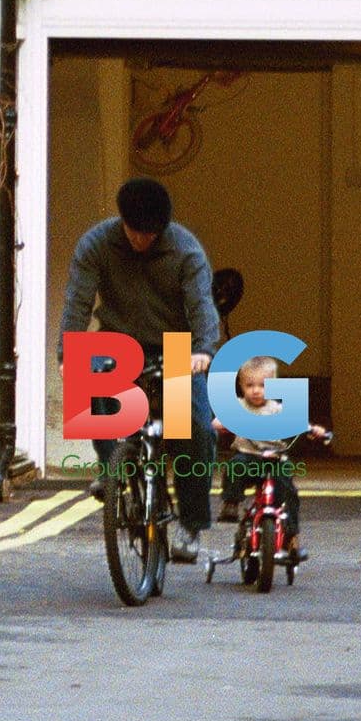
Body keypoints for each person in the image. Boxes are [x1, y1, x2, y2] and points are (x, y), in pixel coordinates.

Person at [58, 177, 219, 563]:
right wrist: (66, 353)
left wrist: (203, 351)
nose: (142, 240)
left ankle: (192, 525)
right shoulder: (96, 244)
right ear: (122, 221)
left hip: (176, 347)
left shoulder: (186, 251)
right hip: (118, 341)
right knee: (89, 376)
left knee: (194, 427)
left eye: (151, 234)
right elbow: (78, 301)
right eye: (135, 232)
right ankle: (110, 467)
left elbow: (202, 308)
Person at [214, 355, 326, 562]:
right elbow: (218, 421)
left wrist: (313, 430)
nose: (256, 390)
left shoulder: (278, 409)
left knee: (290, 492)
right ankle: (231, 502)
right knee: (234, 466)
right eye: (250, 385)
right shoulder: (237, 406)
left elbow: (300, 423)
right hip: (248, 458)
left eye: (263, 385)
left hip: (275, 459)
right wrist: (218, 425)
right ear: (241, 386)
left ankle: (292, 537)